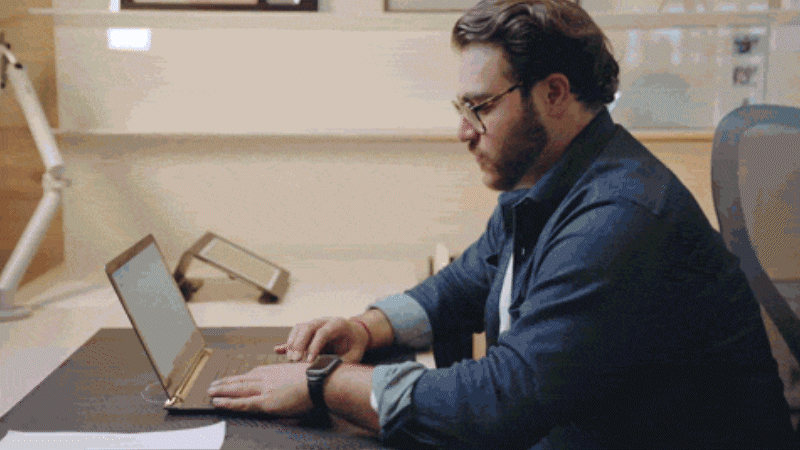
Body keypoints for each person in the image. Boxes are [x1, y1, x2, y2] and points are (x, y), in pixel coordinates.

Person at [207, 0, 796, 448]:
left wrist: (324, 383)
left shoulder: (619, 218)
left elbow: (499, 400)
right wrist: (367, 329)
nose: (465, 132)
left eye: (481, 107)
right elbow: (468, 279)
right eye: (462, 109)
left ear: (555, 94)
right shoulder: (555, 181)